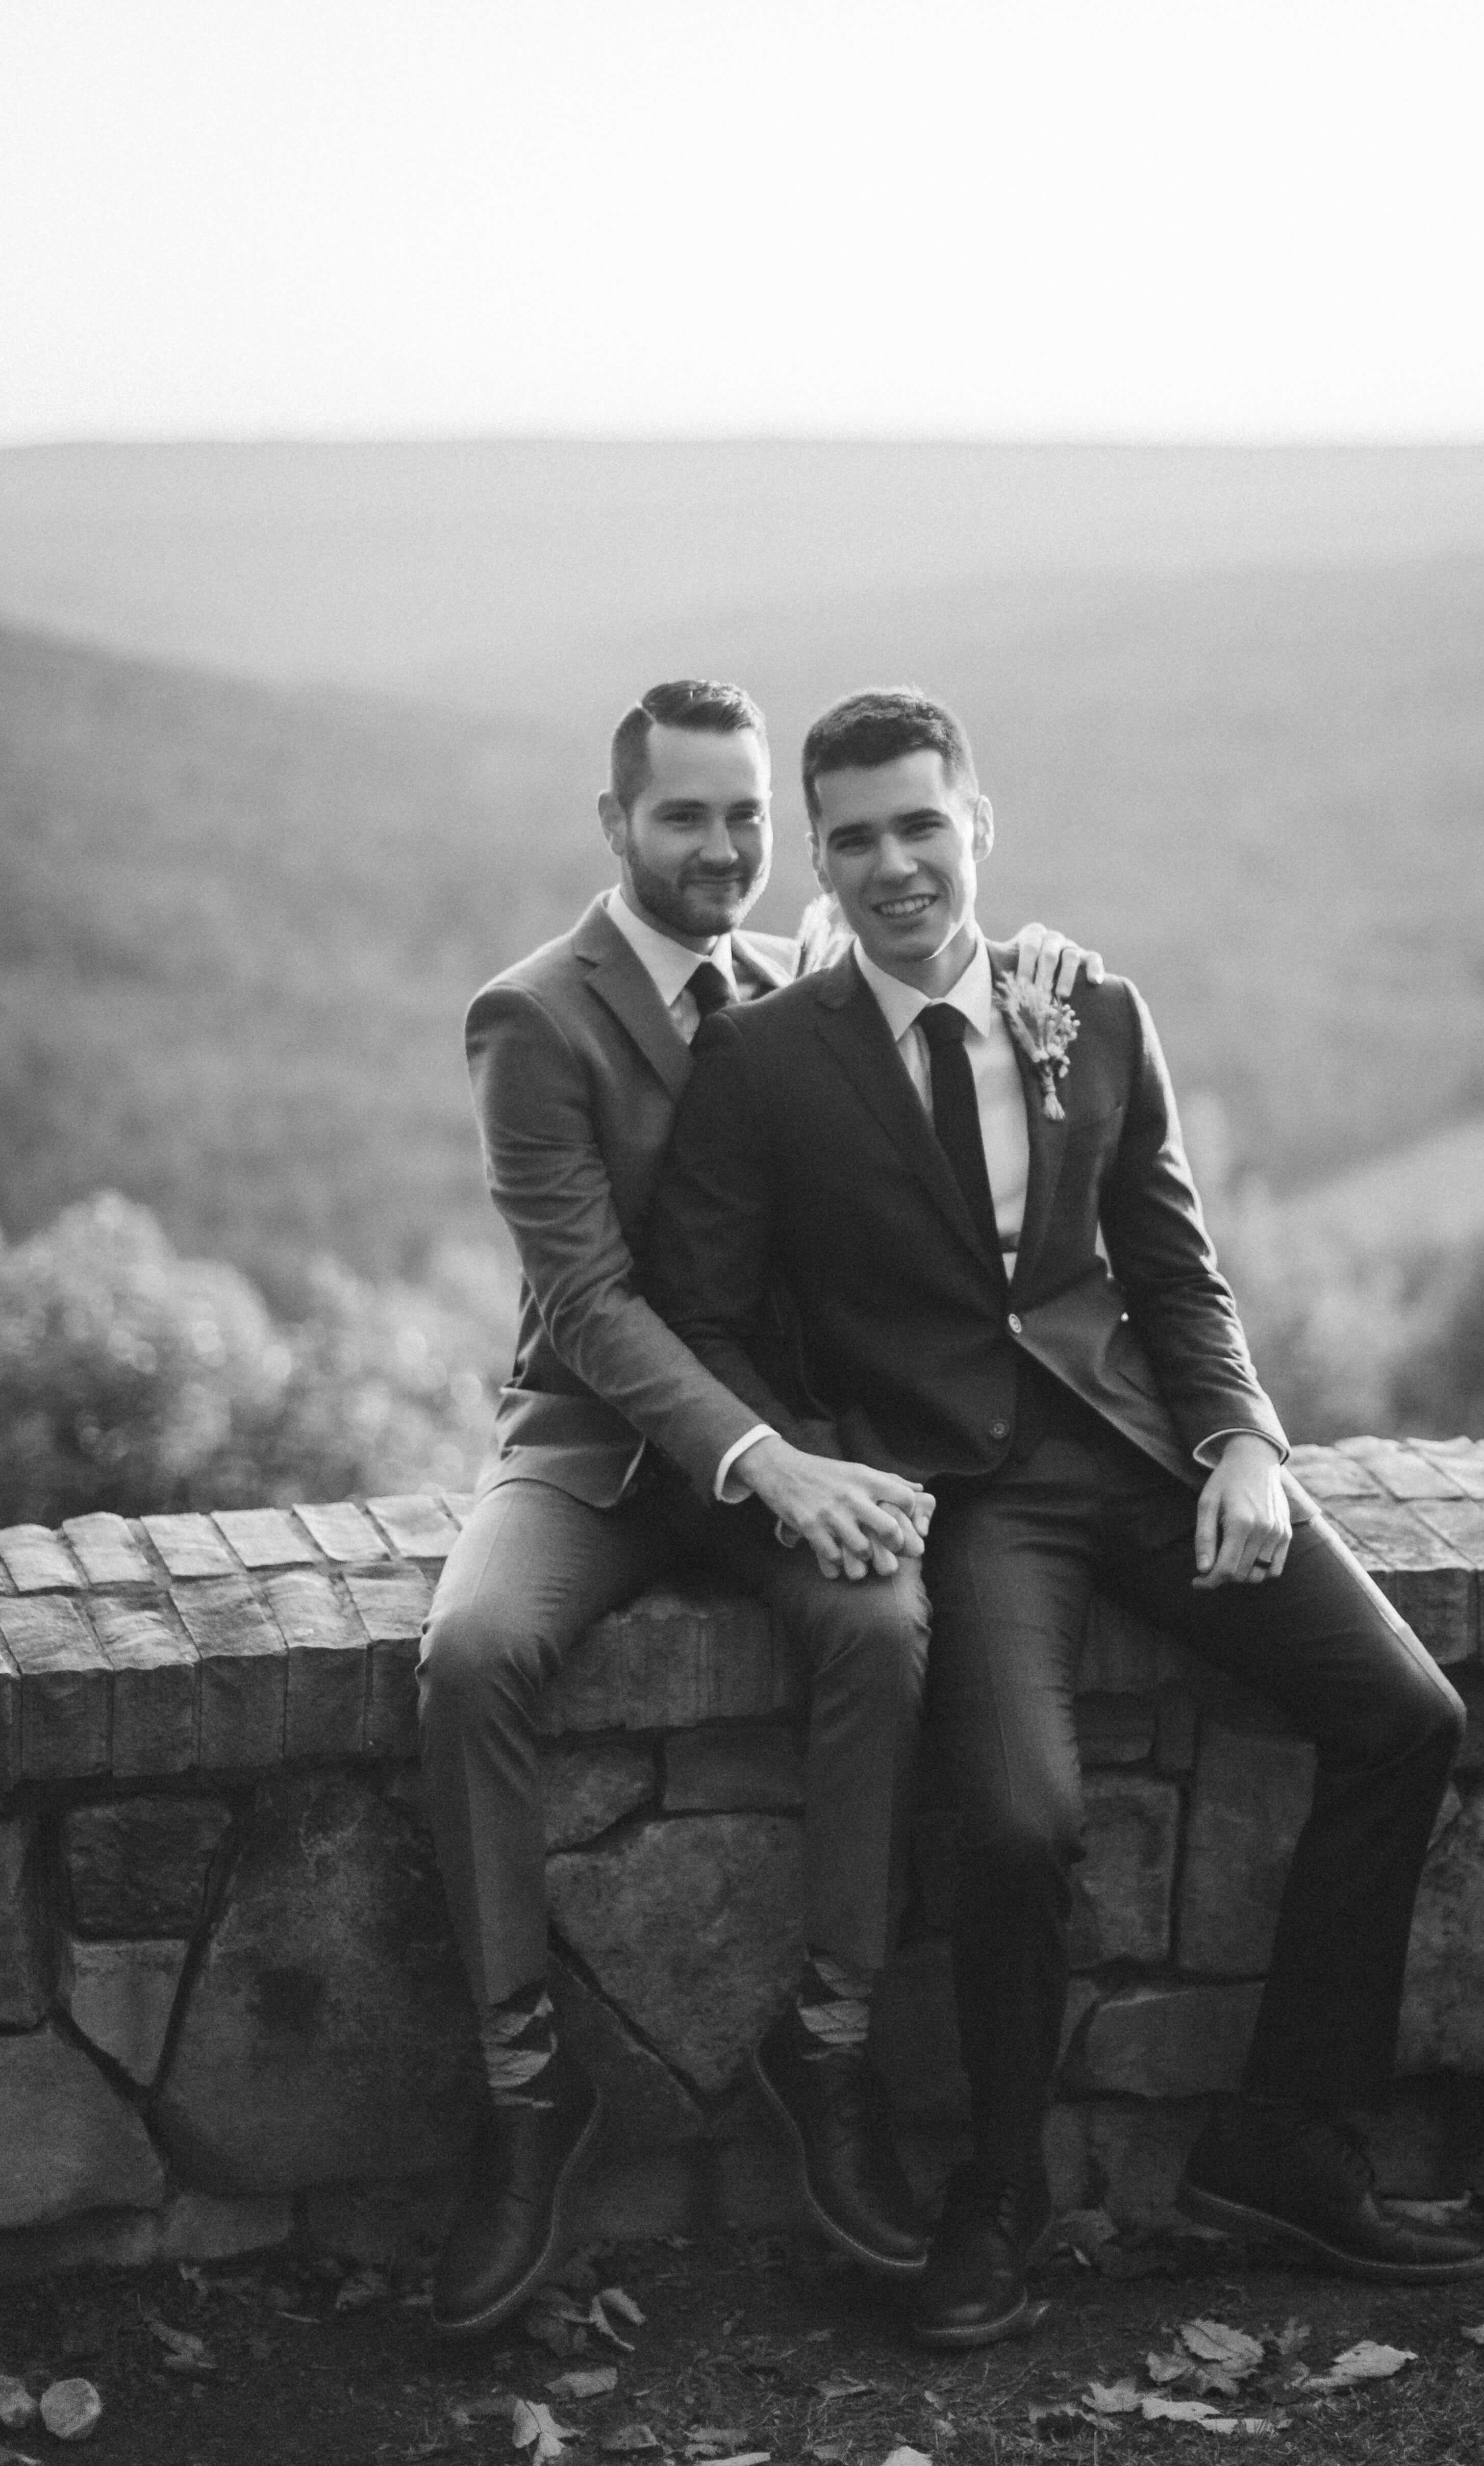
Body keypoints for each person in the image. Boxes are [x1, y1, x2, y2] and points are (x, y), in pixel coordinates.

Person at [644, 686, 1484, 2351]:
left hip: (1144, 1450)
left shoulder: (1089, 1004)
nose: (898, 866)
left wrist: (1246, 1440)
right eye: (859, 839)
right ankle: (1002, 2191)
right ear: (822, 859)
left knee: (1406, 1713)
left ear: (980, 824)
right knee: (1017, 1825)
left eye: (923, 826)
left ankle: (1288, 2142)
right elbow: (700, 1313)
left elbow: (1173, 1265)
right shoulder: (763, 1061)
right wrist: (817, 1466)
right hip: (967, 1499)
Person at [418, 677, 1098, 2338]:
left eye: (745, 817)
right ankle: (525, 2093)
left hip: (786, 1431)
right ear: (616, 825)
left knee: (882, 1618)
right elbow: (587, 1301)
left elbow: (921, 1000)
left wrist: (1041, 977)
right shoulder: (534, 1016)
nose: (722, 846)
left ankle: (836, 2042)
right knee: (470, 1651)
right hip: (594, 1447)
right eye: (684, 815)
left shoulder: (798, 972)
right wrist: (774, 1463)